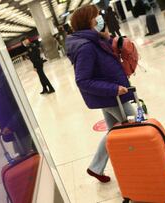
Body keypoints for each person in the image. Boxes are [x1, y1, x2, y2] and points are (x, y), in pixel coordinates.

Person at [65, 5, 135, 183]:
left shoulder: (94, 40)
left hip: (111, 95)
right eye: (97, 16)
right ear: (89, 21)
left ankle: (95, 167)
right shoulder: (86, 47)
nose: (100, 18)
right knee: (139, 124)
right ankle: (151, 158)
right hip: (112, 96)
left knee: (112, 132)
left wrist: (106, 36)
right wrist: (113, 89)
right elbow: (82, 80)